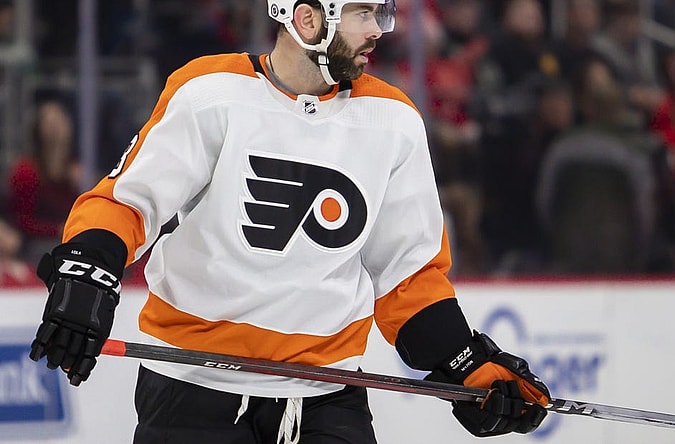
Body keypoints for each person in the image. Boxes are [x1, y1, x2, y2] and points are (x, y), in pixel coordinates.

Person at [27, 1, 551, 443]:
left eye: (382, 12)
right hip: (192, 390)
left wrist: (464, 361)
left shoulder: (394, 122)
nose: (378, 30)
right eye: (364, 13)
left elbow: (408, 277)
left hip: (326, 396)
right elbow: (125, 203)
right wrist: (87, 272)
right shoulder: (210, 93)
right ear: (306, 20)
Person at [7, 98, 82, 264]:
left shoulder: (75, 171)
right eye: (51, 122)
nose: (57, 128)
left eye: (60, 120)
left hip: (67, 237)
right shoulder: (26, 171)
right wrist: (56, 230)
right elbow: (21, 221)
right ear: (39, 129)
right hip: (35, 243)